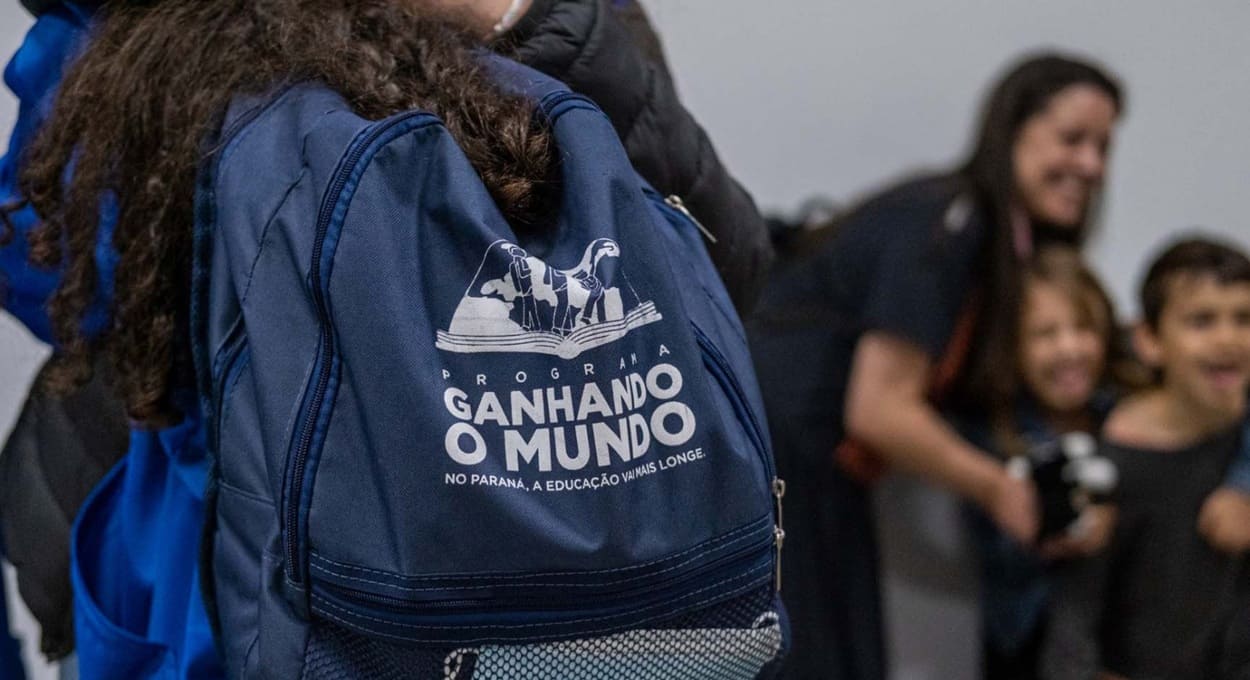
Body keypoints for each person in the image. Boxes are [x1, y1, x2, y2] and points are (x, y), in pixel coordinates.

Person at [1, 0, 772, 677]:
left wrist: (516, 20)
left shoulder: (559, 16)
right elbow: (62, 278)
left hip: (553, 600)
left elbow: (717, 265)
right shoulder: (139, 36)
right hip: (193, 566)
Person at [748, 51, 1127, 680]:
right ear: (1013, 130)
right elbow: (879, 409)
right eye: (1072, 139)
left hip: (813, 465)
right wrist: (999, 490)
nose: (1091, 165)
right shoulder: (951, 220)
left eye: (1104, 147)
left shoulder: (994, 246)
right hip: (789, 461)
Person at [1041, 237, 1250, 679]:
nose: (1228, 339)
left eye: (1244, 319)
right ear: (1149, 340)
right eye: (1202, 321)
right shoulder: (1108, 464)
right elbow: (1071, 633)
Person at [956, 246, 1140, 679]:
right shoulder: (992, 438)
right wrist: (1042, 535)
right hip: (1028, 641)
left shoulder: (1127, 420)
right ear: (1012, 345)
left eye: (1083, 328)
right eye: (1045, 334)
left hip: (1120, 643)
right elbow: (994, 551)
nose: (1069, 349)